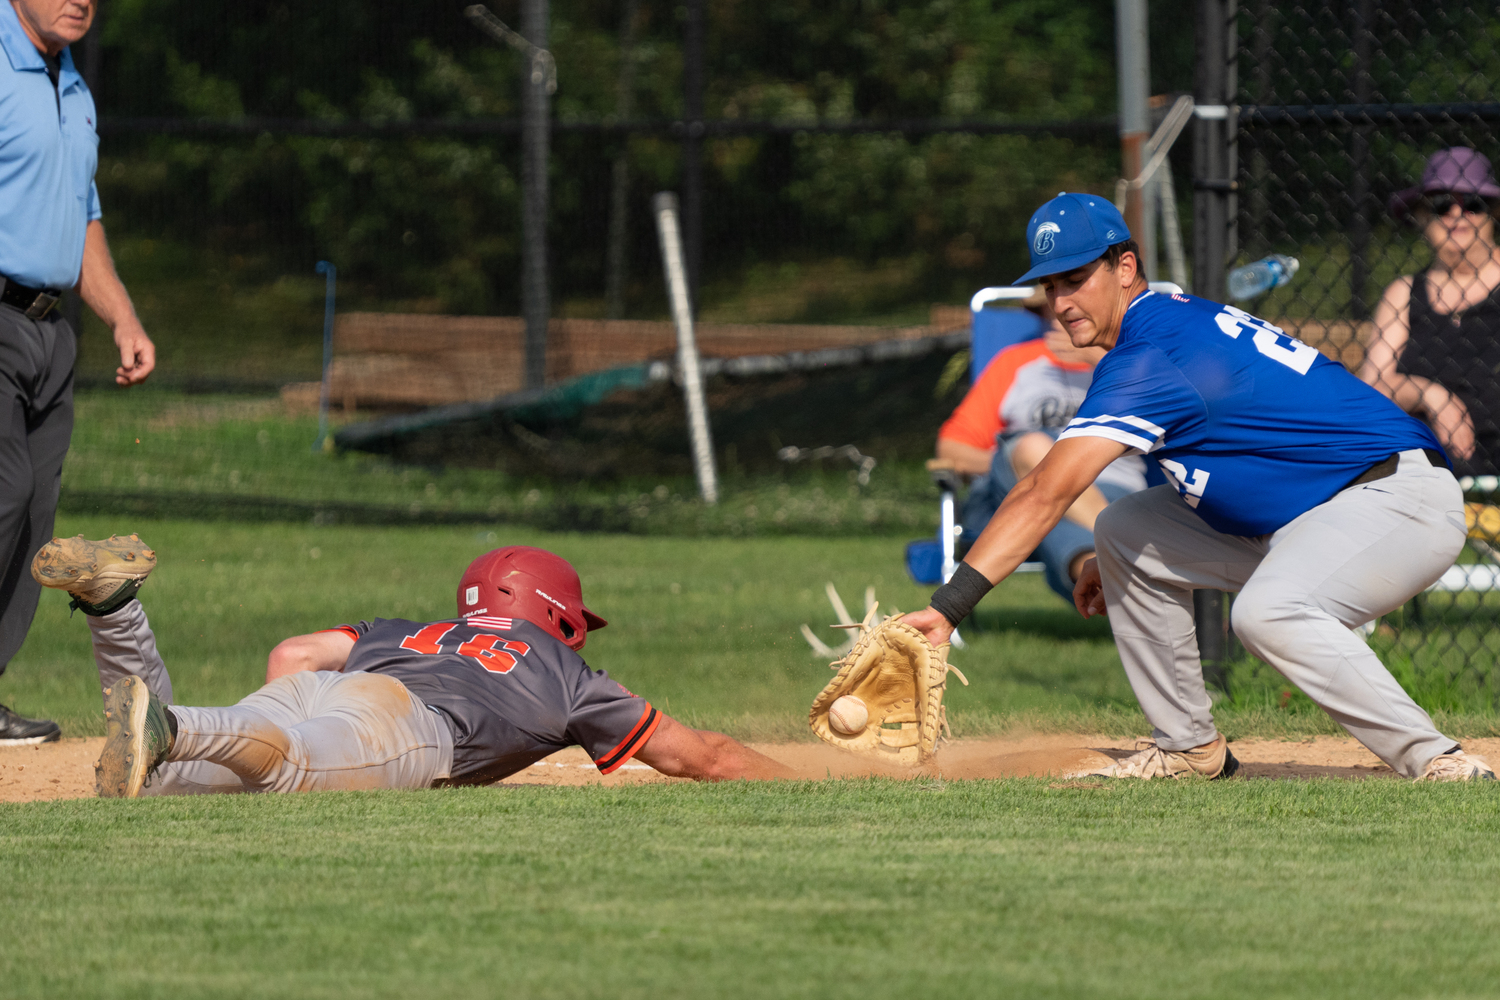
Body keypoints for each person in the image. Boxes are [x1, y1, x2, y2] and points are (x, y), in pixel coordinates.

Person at [905, 192, 1492, 782]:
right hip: (1311, 512)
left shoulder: (1149, 354)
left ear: (1125, 267)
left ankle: (1436, 758)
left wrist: (947, 609)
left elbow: (1044, 492)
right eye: (1051, 286)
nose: (1062, 301)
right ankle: (1189, 747)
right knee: (1123, 528)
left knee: (1266, 613)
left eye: (1077, 278)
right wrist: (1116, 562)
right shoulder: (1166, 321)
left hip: (1394, 500)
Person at [29, 535, 792, 798]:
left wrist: (257, 731)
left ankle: (117, 607)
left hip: (326, 688)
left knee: (158, 781)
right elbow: (704, 757)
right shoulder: (568, 675)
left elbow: (294, 656)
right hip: (408, 728)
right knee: (282, 768)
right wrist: (804, 783)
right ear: (559, 615)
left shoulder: (413, 629)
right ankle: (177, 726)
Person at [0, 0, 156, 745]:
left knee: (33, 518)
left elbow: (80, 214)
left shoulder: (72, 86)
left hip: (50, 329)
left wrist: (121, 318)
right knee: (5, 491)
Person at [936, 291, 1147, 601]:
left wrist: (1101, 360)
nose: (1065, 313)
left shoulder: (1132, 366)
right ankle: (1131, 556)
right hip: (1018, 494)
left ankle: (1120, 586)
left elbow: (1175, 423)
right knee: (1036, 455)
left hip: (1115, 489)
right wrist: (1020, 463)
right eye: (1055, 307)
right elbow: (952, 451)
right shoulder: (1016, 363)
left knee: (1049, 513)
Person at [1363, 147, 1500, 477]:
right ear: (1423, 216)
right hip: (1420, 471)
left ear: (1493, 213)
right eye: (1442, 204)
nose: (1457, 214)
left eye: (1473, 204)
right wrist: (1430, 395)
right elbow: (1372, 385)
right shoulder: (1403, 293)